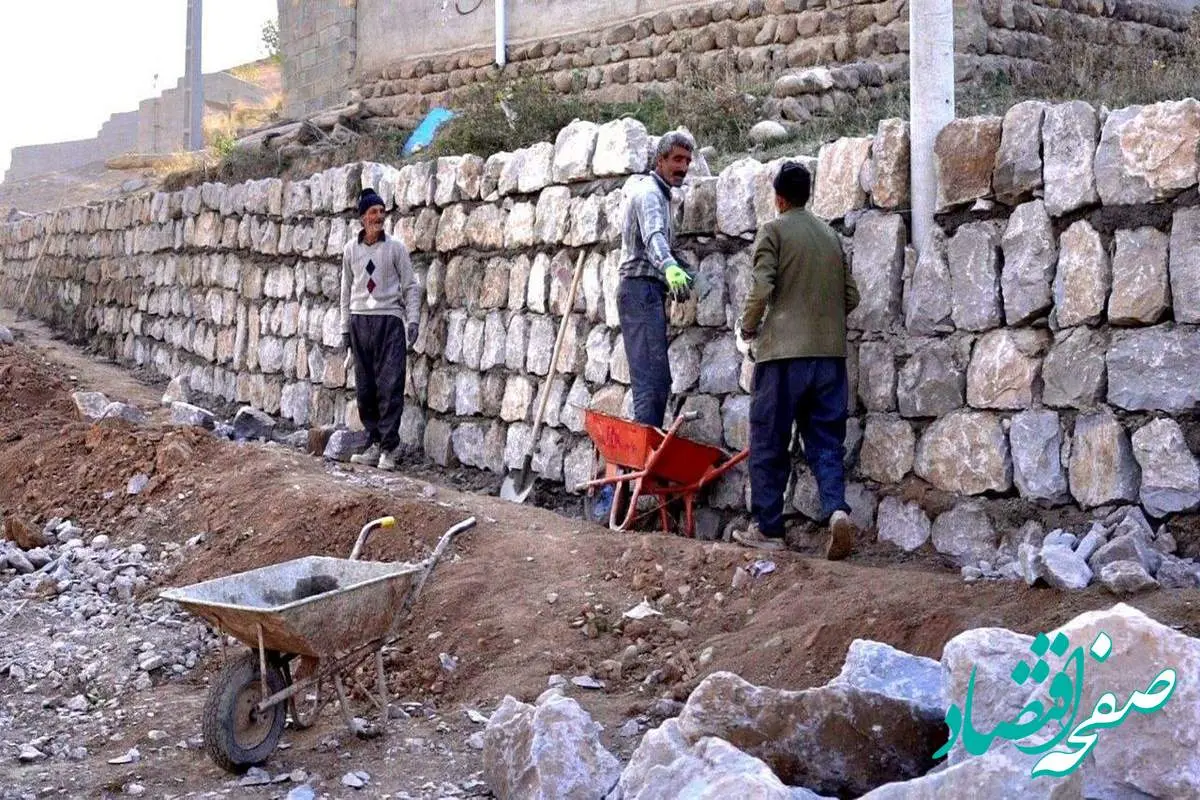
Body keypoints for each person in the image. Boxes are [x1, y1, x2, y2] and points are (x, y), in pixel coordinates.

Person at [733, 162, 860, 559]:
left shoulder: (773, 231)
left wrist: (748, 327)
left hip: (783, 359)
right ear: (809, 194)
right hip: (830, 358)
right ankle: (837, 510)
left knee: (770, 441)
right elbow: (851, 297)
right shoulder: (830, 236)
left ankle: (769, 528)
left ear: (779, 198)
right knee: (825, 440)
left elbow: (762, 286)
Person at [616, 130, 697, 428]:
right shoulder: (649, 193)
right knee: (650, 382)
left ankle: (645, 453)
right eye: (677, 159)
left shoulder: (663, 196)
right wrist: (669, 268)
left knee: (657, 379)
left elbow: (667, 245)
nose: (684, 167)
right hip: (638, 292)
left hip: (647, 292)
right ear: (660, 160)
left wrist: (689, 274)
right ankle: (642, 461)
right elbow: (653, 237)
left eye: (688, 161)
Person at [342, 188, 421, 471]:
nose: (379, 216)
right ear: (363, 218)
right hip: (360, 322)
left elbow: (411, 286)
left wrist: (412, 321)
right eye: (373, 212)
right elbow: (345, 292)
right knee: (366, 390)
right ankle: (373, 443)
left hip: (389, 322)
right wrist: (344, 332)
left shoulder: (396, 249)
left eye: (381, 211)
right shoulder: (351, 250)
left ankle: (389, 449)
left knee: (390, 386)